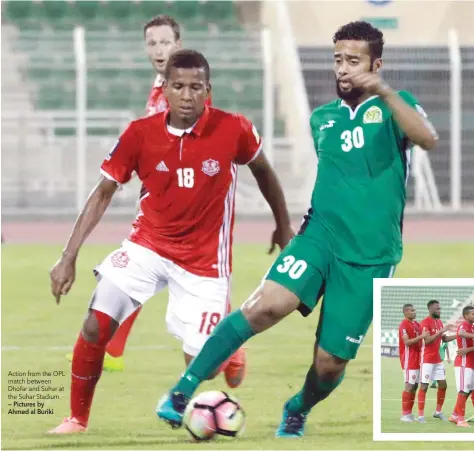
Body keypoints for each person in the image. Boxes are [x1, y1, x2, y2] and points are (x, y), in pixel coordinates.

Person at [156, 21, 439, 437]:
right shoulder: (322, 118)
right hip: (319, 237)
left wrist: (383, 91)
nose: (343, 69)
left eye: (354, 61)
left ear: (376, 64)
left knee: (330, 364)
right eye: (338, 59)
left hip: (371, 256)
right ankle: (181, 391)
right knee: (263, 307)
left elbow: (428, 138)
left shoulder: (398, 107)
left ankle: (298, 406)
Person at [48, 49, 293, 434]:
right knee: (96, 325)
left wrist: (283, 226)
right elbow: (102, 192)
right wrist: (68, 255)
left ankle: (227, 351)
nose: (187, 95)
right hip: (147, 247)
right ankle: (77, 419)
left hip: (204, 263)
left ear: (208, 90)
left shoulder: (234, 128)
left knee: (202, 364)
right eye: (178, 86)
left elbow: (264, 172)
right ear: (164, 89)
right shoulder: (139, 134)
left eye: (196, 87)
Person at [65, 15, 214, 373]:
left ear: (178, 45)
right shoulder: (157, 87)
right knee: (136, 272)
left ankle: (228, 347)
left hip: (189, 208)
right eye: (152, 44)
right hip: (158, 203)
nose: (159, 50)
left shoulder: (190, 87)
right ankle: (112, 349)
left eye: (166, 43)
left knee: (177, 285)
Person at [417, 300, 456, 423]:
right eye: (437, 309)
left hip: (438, 360)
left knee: (443, 385)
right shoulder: (425, 323)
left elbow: (443, 338)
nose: (439, 310)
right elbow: (427, 341)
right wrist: (441, 331)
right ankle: (421, 415)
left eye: (440, 308)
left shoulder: (439, 322)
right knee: (424, 386)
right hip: (427, 360)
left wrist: (457, 335)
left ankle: (438, 412)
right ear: (430, 309)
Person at [399, 304, 428, 422]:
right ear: (405, 312)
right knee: (409, 385)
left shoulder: (416, 324)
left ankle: (409, 413)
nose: (414, 312)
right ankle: (404, 415)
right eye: (412, 310)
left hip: (418, 360)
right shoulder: (403, 325)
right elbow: (407, 342)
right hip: (408, 360)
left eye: (415, 310)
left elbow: (425, 335)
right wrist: (421, 336)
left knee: (415, 386)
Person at [449, 305, 474, 427]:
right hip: (464, 363)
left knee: (469, 391)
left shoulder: (472, 327)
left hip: (470, 363)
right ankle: (460, 420)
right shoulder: (464, 326)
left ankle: (454, 415)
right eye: (473, 314)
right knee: (463, 391)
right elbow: (461, 333)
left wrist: (469, 348)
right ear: (466, 316)